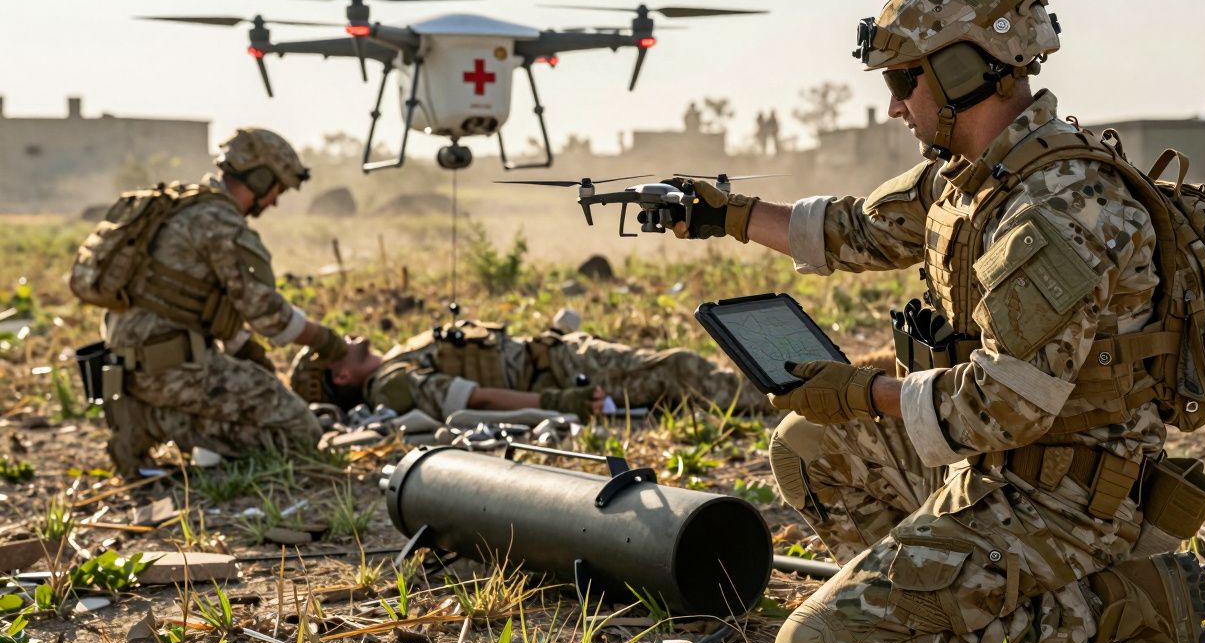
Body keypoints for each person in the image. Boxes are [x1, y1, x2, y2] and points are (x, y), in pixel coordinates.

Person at [666, 0, 1205, 643]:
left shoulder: (1058, 208)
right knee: (807, 446)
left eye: (904, 82)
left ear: (963, 72)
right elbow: (857, 230)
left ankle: (1118, 610)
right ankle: (913, 609)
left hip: (1065, 499)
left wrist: (864, 393)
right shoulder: (974, 179)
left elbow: (1005, 404)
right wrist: (730, 215)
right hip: (998, 462)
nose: (894, 108)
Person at [82, 128, 347, 473]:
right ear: (261, 178)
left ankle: (148, 414)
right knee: (300, 431)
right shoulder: (218, 221)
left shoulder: (185, 206)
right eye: (278, 190)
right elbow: (267, 314)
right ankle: (150, 421)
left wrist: (246, 352)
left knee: (264, 403)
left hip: (136, 365)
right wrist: (325, 340)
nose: (275, 202)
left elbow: (200, 302)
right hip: (170, 369)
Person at [290, 318, 766, 420]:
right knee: (679, 368)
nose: (343, 337)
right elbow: (475, 399)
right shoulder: (392, 384)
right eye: (333, 351)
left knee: (672, 377)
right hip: (561, 370)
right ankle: (780, 396)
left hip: (557, 355)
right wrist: (558, 402)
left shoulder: (394, 361)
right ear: (341, 377)